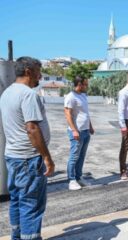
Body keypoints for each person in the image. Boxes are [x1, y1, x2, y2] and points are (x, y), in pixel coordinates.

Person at [0, 56, 55, 240]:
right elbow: (31, 128)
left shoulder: (7, 92)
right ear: (28, 71)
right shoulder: (28, 94)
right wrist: (46, 158)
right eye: (38, 73)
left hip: (13, 157)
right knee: (31, 205)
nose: (40, 78)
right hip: (28, 159)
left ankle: (17, 236)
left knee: (17, 201)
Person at [64, 76, 94, 190]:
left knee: (81, 156)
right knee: (74, 156)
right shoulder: (70, 96)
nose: (87, 86)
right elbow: (67, 114)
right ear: (80, 84)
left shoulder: (83, 95)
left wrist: (90, 126)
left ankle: (79, 177)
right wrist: (74, 130)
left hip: (85, 131)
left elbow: (85, 113)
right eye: (85, 84)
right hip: (77, 132)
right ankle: (71, 180)